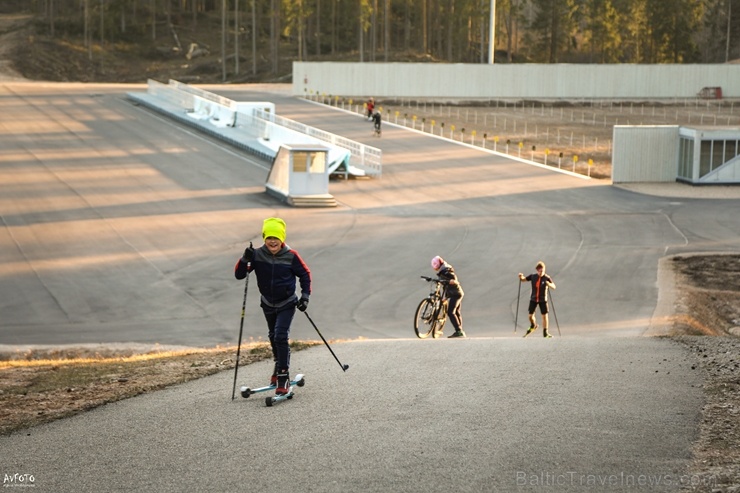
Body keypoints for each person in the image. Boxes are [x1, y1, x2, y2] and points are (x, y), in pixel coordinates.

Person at [234, 218, 311, 395]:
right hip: (267, 303)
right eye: (269, 237)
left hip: (287, 302)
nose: (272, 241)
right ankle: (278, 367)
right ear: (264, 237)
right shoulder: (257, 255)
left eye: (276, 237)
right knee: (272, 335)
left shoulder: (291, 255)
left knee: (280, 335)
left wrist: (305, 297)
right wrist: (244, 258)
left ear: (282, 238)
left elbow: (305, 275)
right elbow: (239, 275)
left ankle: (283, 376)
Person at [518, 261, 556, 338]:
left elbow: (554, 286)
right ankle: (533, 325)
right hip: (534, 299)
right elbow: (524, 279)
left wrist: (549, 284)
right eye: (539, 271)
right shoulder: (533, 276)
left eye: (542, 271)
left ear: (544, 270)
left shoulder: (547, 278)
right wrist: (520, 277)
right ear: (537, 270)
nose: (541, 272)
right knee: (530, 316)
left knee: (545, 316)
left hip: (543, 299)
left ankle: (545, 333)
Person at [431, 255, 466, 338]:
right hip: (455, 293)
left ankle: (459, 331)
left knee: (451, 312)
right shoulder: (443, 269)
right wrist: (446, 297)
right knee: (457, 312)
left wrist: (453, 281)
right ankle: (460, 331)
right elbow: (446, 286)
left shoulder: (446, 270)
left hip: (456, 294)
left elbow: (453, 278)